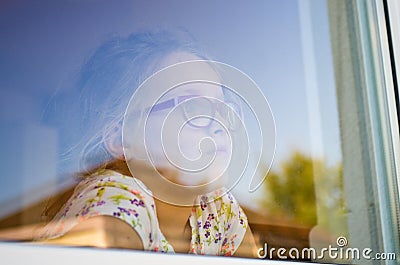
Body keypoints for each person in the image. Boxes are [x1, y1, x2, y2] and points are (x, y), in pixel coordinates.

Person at [35, 29, 257, 257]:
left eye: (222, 109)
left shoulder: (217, 209)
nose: (218, 123)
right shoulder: (115, 198)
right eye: (194, 107)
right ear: (121, 138)